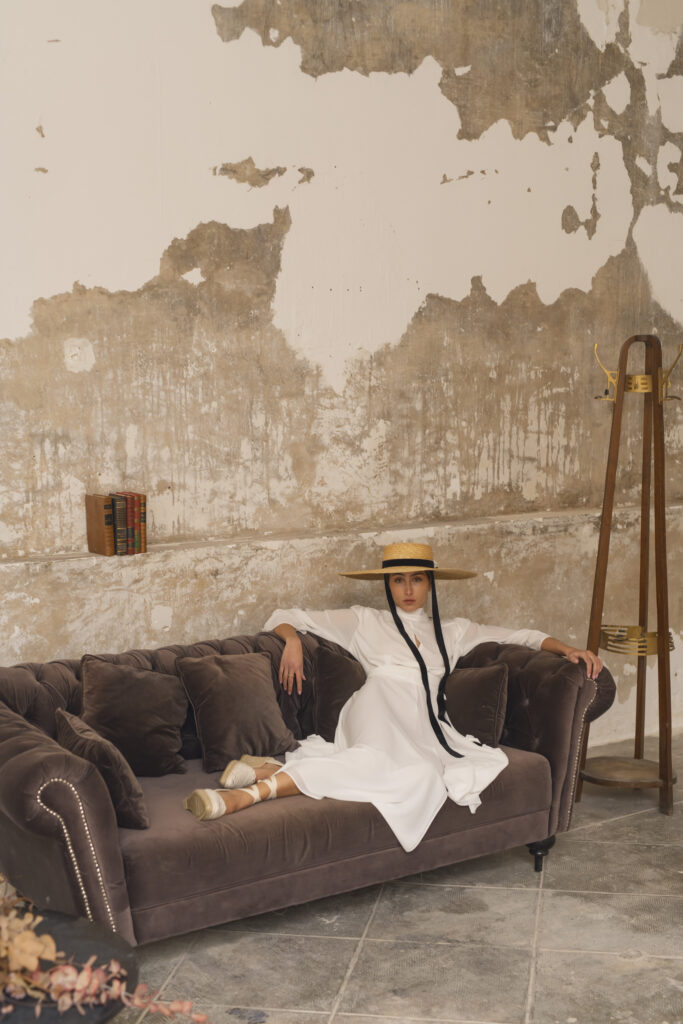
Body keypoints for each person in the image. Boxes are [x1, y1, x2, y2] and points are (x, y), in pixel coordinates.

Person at [184, 542, 602, 851]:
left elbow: (521, 635)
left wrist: (568, 649)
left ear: (429, 583)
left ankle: (266, 770)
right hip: (376, 706)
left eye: (416, 579)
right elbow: (283, 616)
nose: (408, 589)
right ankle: (248, 795)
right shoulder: (364, 621)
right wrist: (291, 641)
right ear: (387, 584)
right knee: (376, 761)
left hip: (420, 725)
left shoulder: (453, 631)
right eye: (398, 580)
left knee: (423, 776)